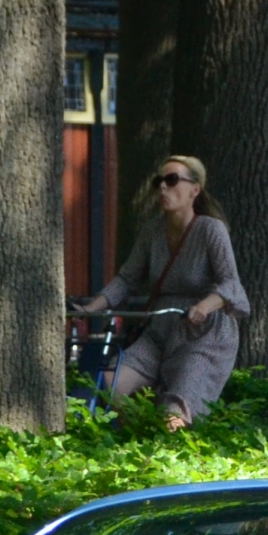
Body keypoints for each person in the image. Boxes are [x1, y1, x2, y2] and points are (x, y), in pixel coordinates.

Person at [74, 154, 247, 429]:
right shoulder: (152, 230)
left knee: (175, 412)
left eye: (172, 180)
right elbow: (127, 279)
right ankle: (129, 446)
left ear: (195, 189)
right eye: (159, 182)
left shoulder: (210, 230)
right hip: (160, 331)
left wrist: (205, 305)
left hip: (202, 335)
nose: (163, 188)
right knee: (108, 383)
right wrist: (89, 310)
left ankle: (175, 459)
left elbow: (230, 283)